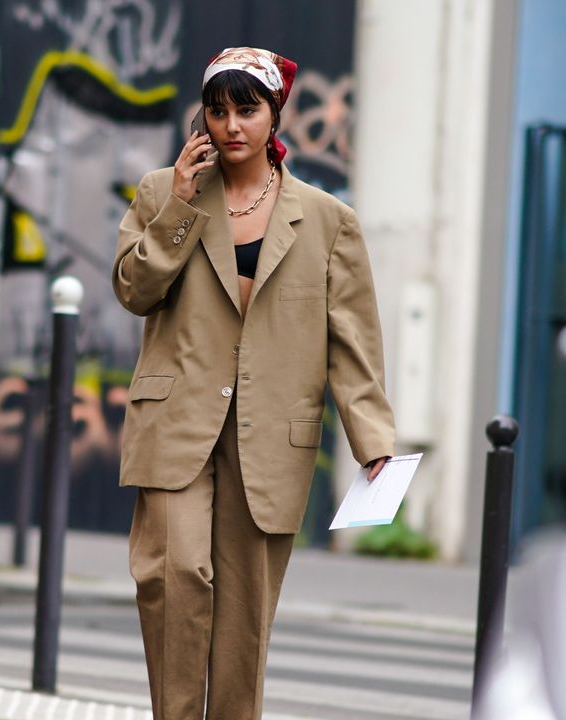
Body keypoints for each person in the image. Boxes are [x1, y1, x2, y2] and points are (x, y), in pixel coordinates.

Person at [111, 47, 395, 720]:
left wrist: (374, 441)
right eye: (218, 111)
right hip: (176, 422)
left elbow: (352, 343)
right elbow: (133, 290)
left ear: (275, 115)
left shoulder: (328, 220)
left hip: (272, 436)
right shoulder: (161, 191)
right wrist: (179, 208)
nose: (231, 125)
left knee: (244, 620)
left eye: (247, 109)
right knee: (175, 576)